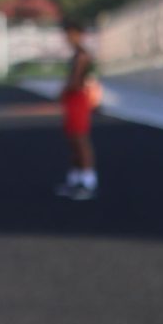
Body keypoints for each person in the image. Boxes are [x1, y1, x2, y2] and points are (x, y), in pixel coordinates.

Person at [54, 19, 98, 201]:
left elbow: (75, 81)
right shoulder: (76, 55)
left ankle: (88, 181)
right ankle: (75, 179)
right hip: (73, 99)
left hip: (79, 99)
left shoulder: (82, 55)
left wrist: (63, 91)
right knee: (73, 139)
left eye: (70, 33)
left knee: (81, 139)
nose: (67, 38)